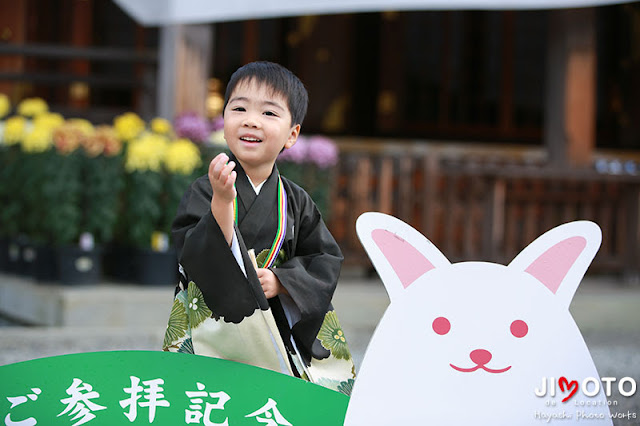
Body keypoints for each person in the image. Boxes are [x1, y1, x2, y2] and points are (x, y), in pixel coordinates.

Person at [162, 61, 355, 395]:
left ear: (292, 134)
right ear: (223, 123)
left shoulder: (296, 200)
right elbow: (191, 254)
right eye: (239, 108)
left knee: (273, 402)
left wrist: (283, 281)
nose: (251, 119)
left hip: (277, 327)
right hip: (215, 326)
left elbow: (324, 258)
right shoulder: (205, 190)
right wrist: (222, 202)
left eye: (269, 113)